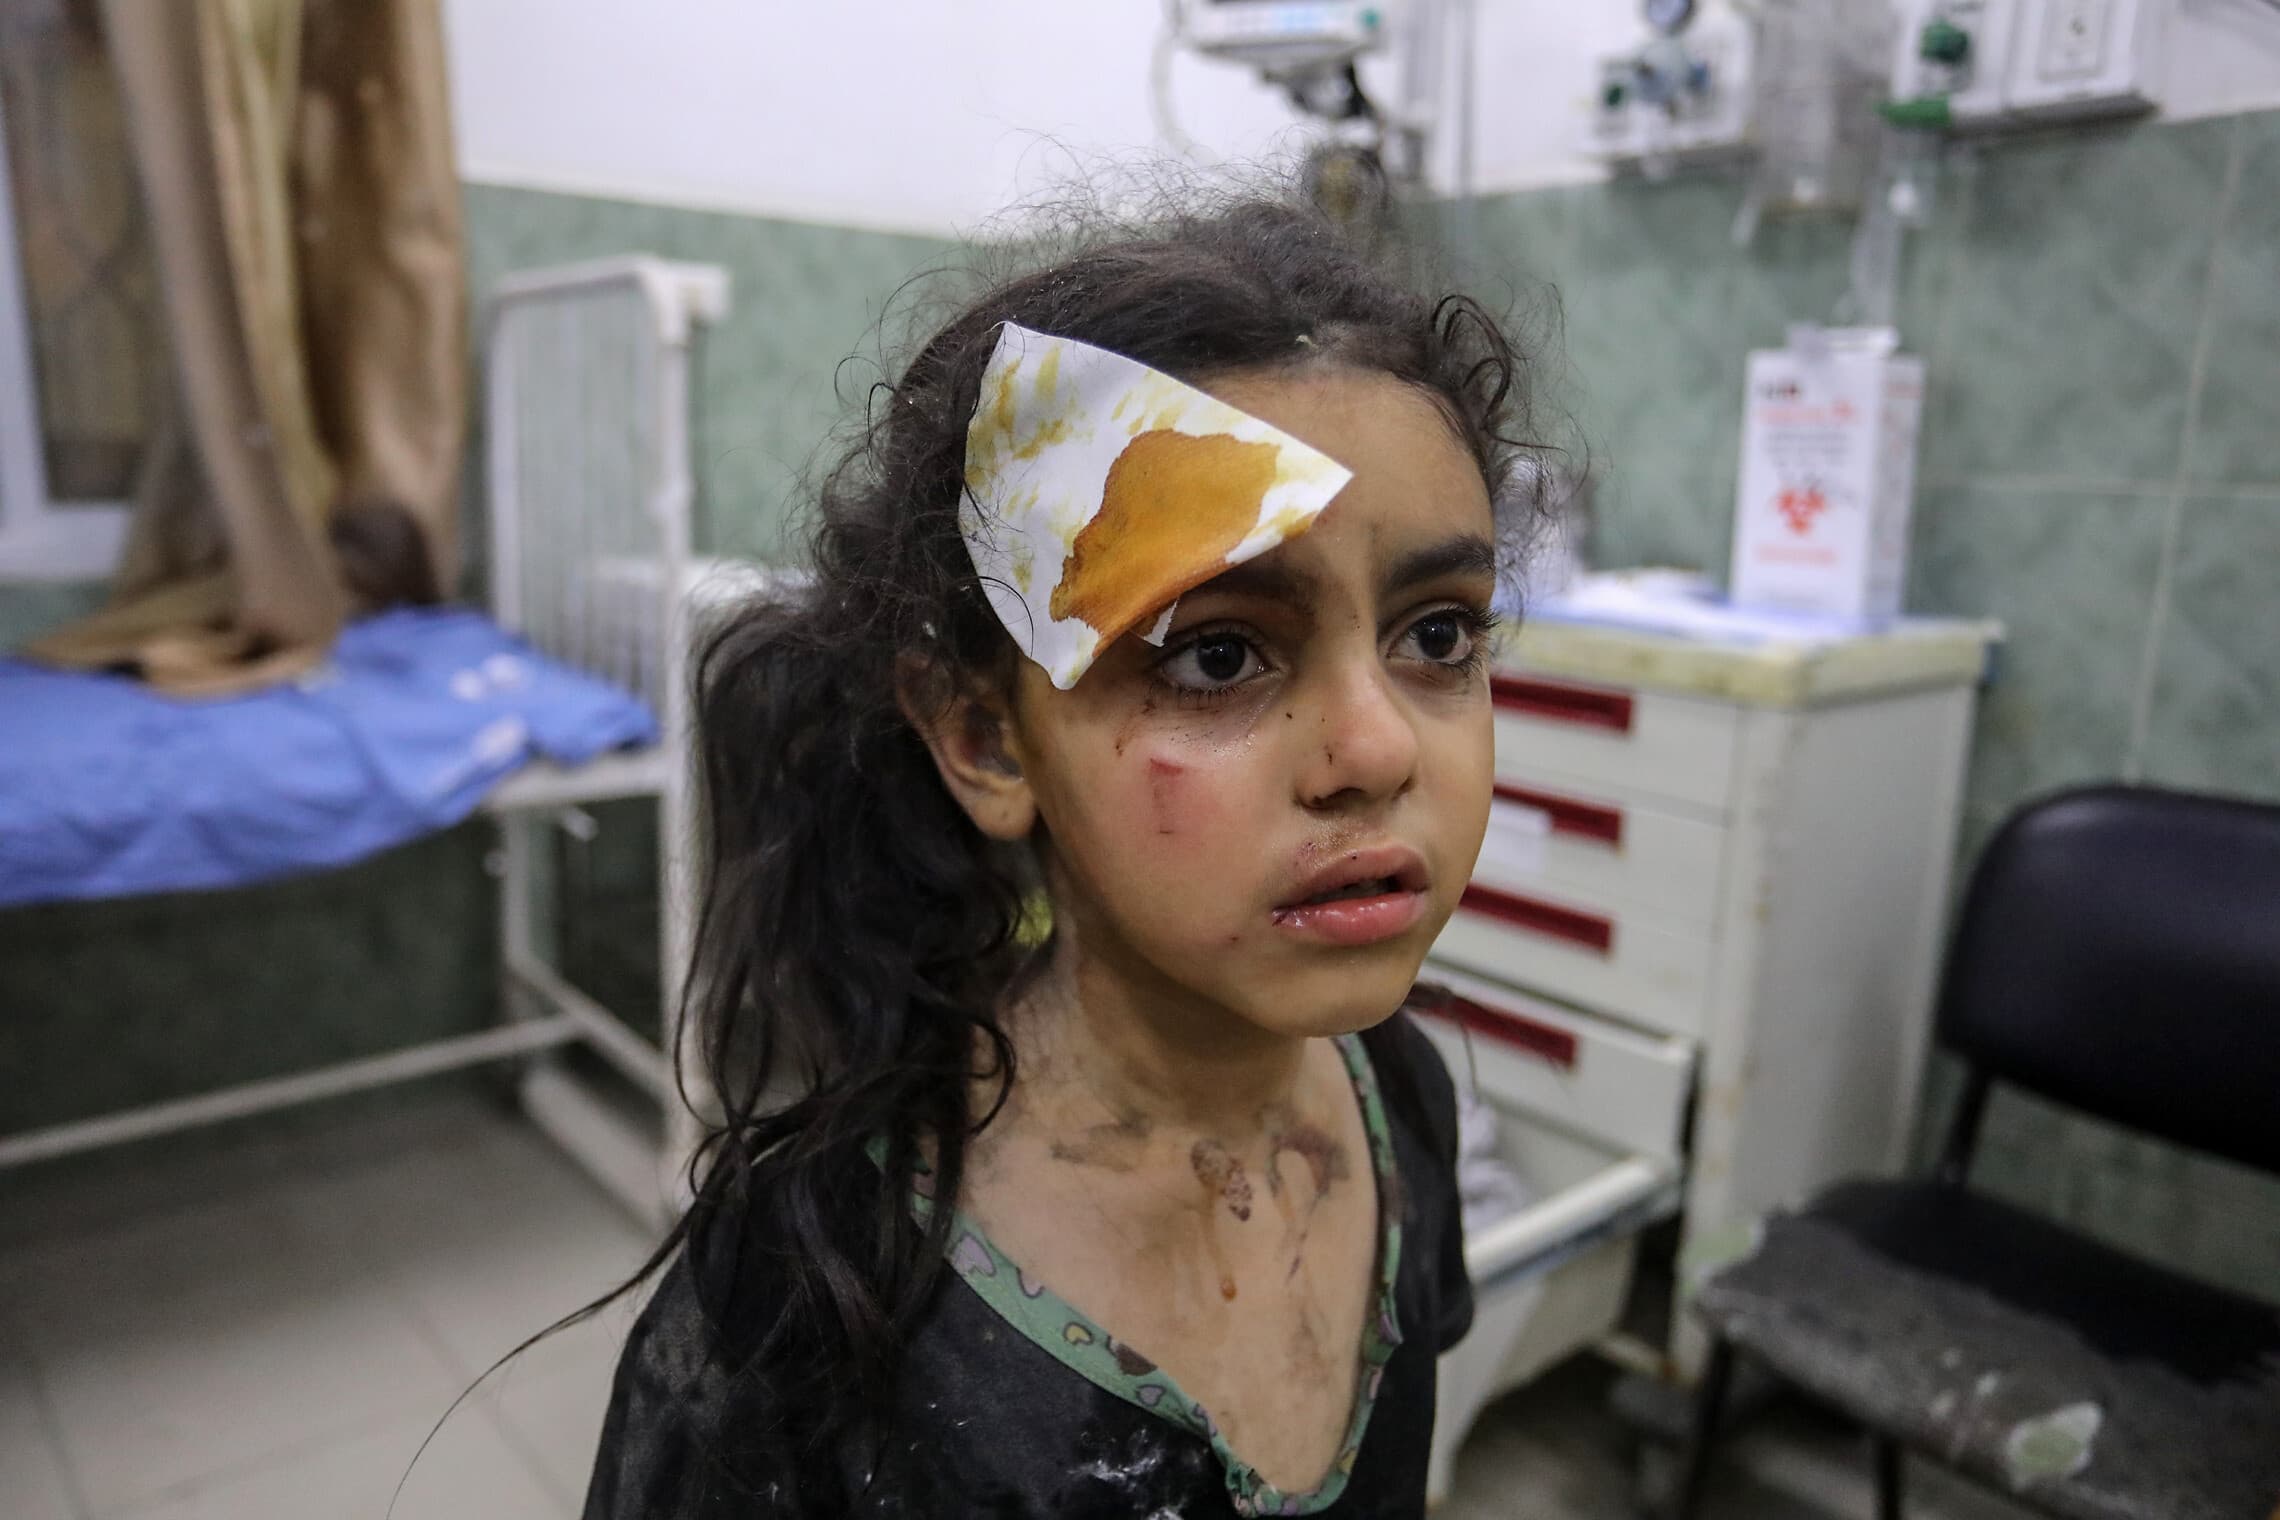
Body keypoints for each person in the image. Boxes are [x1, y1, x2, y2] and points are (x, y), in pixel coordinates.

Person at [580, 191, 1551, 1519]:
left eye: (1438, 636)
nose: (1377, 749)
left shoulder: (1406, 1108)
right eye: (1218, 656)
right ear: (986, 738)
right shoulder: (805, 1301)